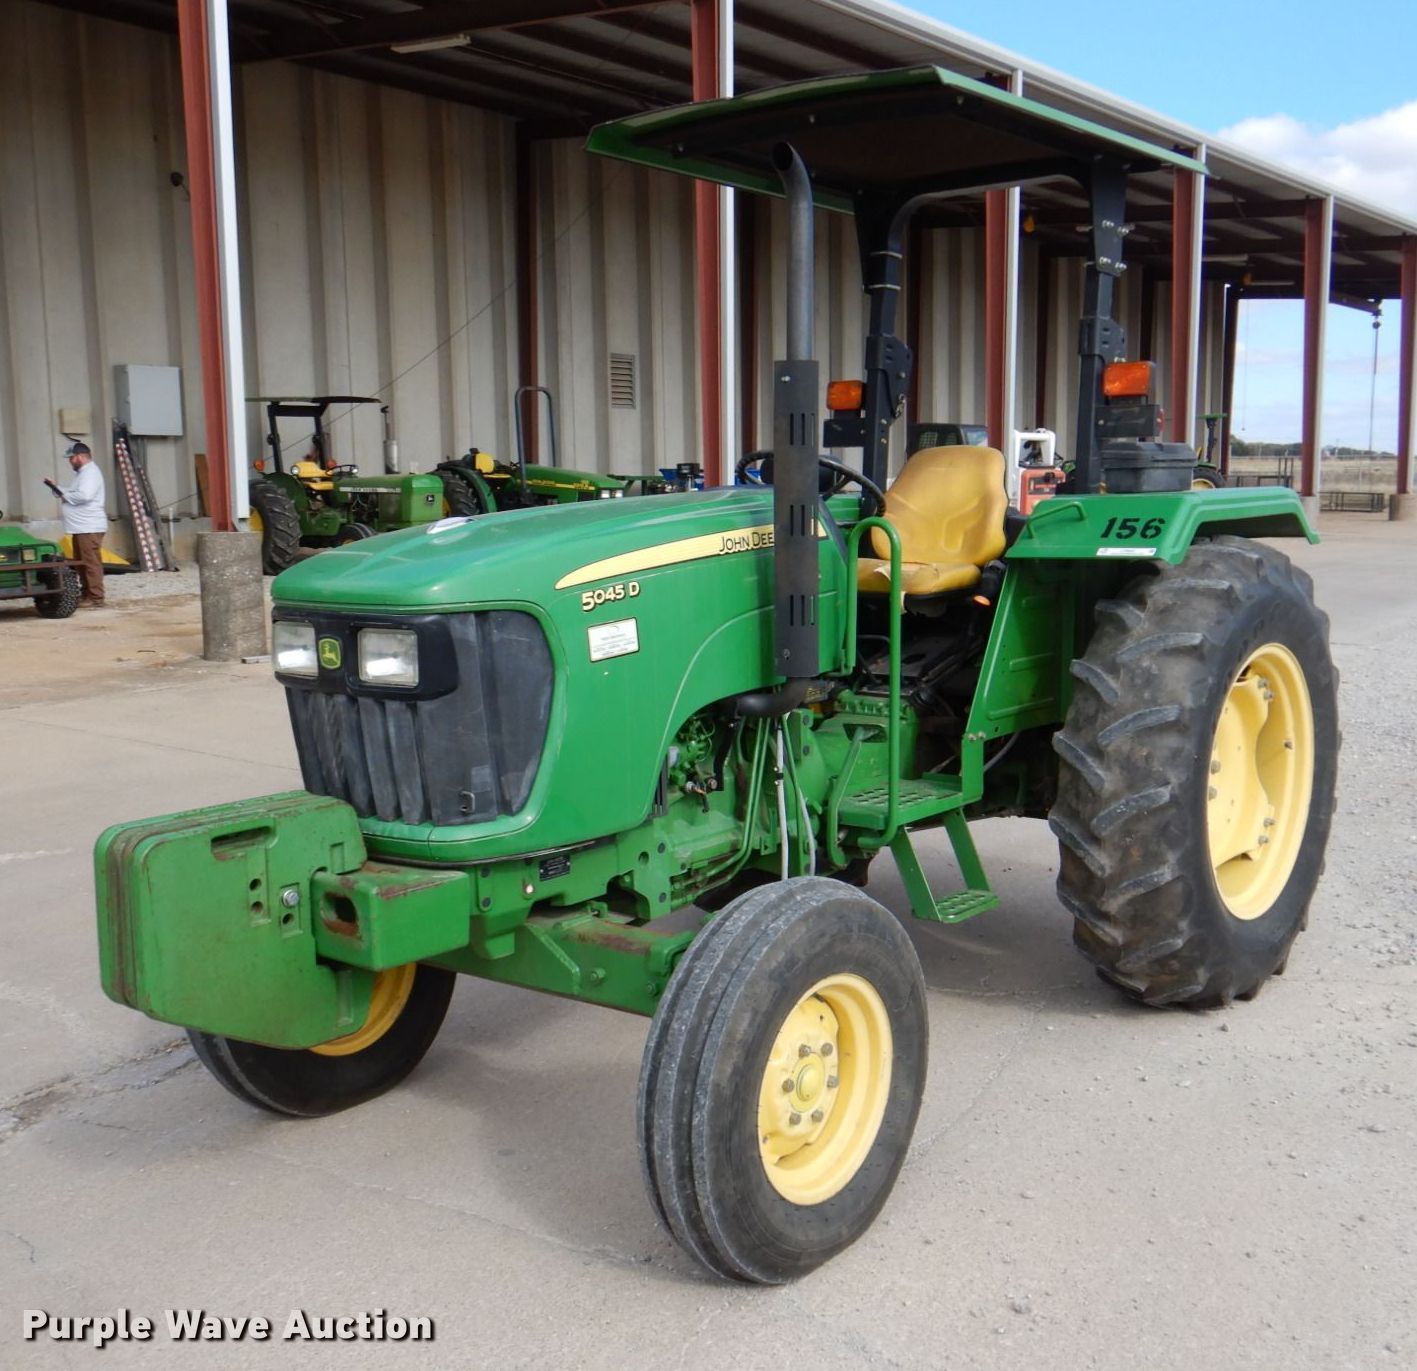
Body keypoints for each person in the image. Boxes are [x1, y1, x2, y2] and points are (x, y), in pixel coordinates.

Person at [44, 441, 109, 607]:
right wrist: (57, 488)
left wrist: (64, 495)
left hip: (89, 526)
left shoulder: (90, 473)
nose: (70, 461)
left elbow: (84, 496)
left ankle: (96, 597)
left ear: (80, 457)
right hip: (81, 527)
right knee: (81, 563)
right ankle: (87, 594)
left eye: (71, 458)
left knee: (90, 563)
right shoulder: (82, 474)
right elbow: (75, 493)